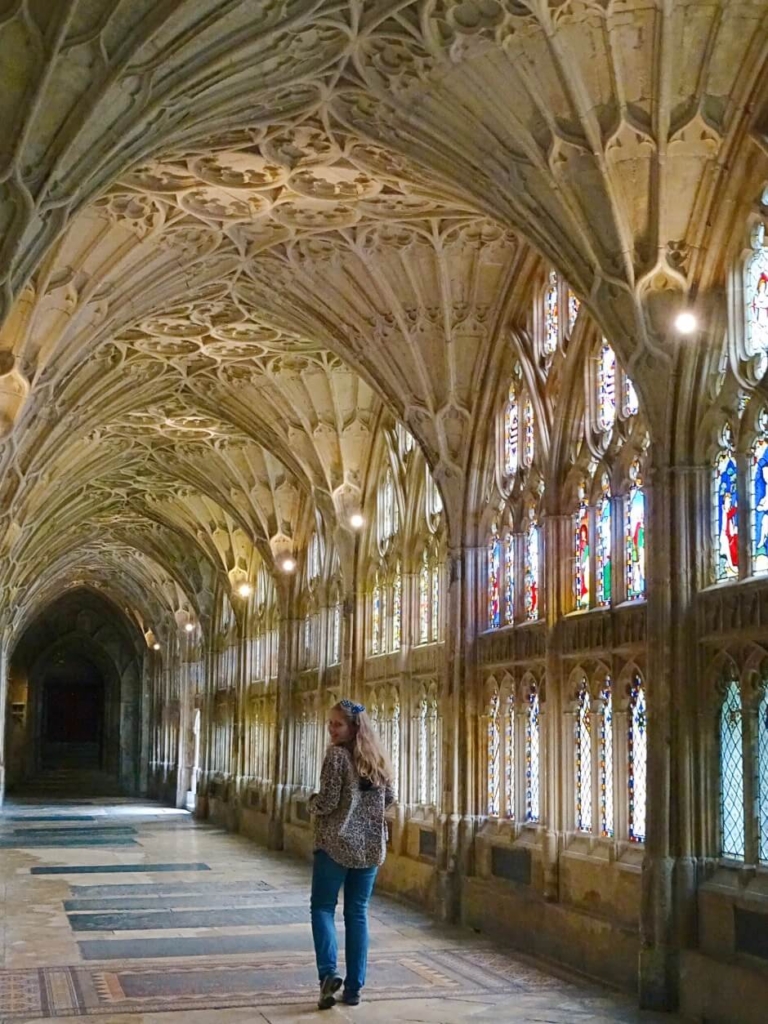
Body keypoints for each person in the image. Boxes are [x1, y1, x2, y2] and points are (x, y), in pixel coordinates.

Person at [308, 699, 394, 1010]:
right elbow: (390, 798)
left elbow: (328, 801)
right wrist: (364, 815)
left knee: (322, 908)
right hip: (370, 847)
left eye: (338, 724)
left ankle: (329, 974)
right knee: (357, 913)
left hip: (336, 844)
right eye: (330, 723)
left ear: (353, 727)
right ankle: (355, 987)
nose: (331, 729)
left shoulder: (336, 756)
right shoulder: (377, 758)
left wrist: (311, 802)